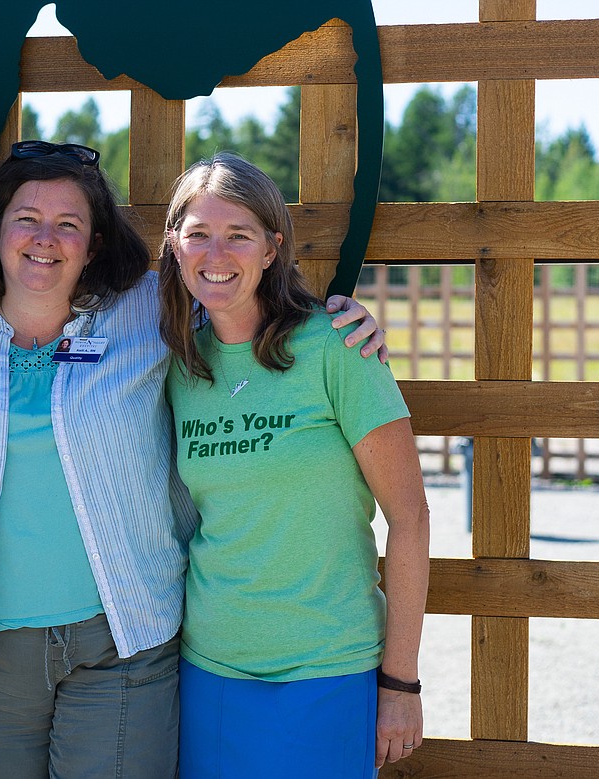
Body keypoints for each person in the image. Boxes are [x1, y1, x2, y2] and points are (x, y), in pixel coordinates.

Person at [0, 141, 386, 777]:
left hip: (122, 637)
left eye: (70, 224)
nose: (45, 239)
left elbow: (232, 291)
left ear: (96, 244)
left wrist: (342, 320)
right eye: (27, 218)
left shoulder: (146, 313)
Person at [159, 152, 430, 777]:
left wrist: (402, 683)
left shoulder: (338, 346)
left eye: (239, 236)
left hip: (330, 668)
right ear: (174, 246)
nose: (216, 254)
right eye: (198, 234)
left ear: (272, 248)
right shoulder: (177, 364)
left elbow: (410, 519)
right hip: (211, 669)